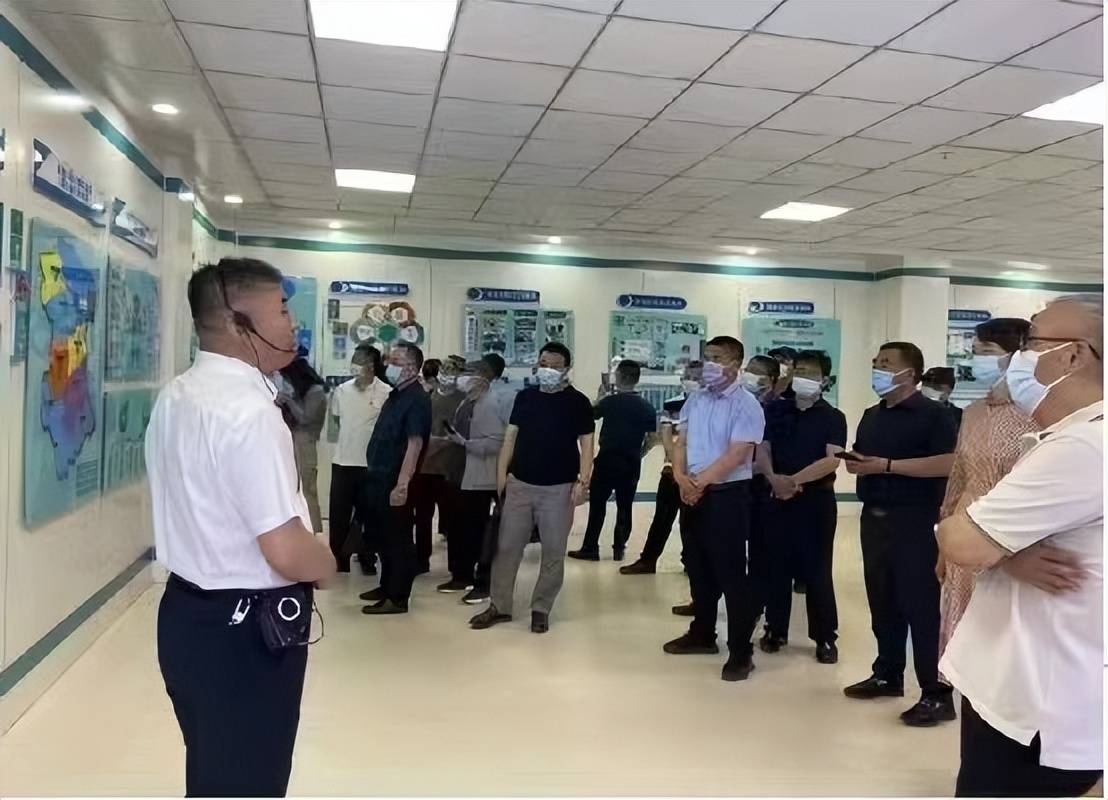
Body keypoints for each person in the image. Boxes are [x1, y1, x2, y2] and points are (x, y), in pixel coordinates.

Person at [147, 257, 336, 797]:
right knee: (249, 780)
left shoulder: (178, 394)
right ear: (238, 322)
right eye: (281, 309)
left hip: (187, 616)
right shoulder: (249, 413)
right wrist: (325, 561)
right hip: (245, 630)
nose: (292, 322)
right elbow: (284, 549)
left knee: (215, 772)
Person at [938, 294, 1103, 797]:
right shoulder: (1071, 436)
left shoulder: (1083, 447)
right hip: (1036, 683)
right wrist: (1008, 551)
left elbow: (963, 542)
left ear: (1072, 355)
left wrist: (991, 543)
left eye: (1031, 342)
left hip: (1032, 704)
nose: (1019, 357)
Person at [843, 341, 957, 727]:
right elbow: (866, 457)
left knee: (920, 606)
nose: (878, 368)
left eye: (887, 363)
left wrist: (888, 465)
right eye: (876, 361)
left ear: (910, 373)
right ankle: (888, 673)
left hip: (916, 520)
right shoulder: (872, 415)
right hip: (874, 518)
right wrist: (859, 464)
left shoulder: (935, 416)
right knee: (883, 599)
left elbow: (948, 463)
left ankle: (936, 693)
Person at [470, 341, 595, 634]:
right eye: (543, 364)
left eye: (555, 366)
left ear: (567, 369)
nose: (548, 370)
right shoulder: (525, 397)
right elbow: (510, 438)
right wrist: (502, 477)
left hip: (559, 489)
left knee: (553, 551)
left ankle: (541, 608)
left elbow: (587, 444)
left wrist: (583, 481)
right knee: (507, 548)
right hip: (520, 485)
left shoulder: (578, 402)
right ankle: (499, 606)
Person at [663, 335, 765, 682]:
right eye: (707, 357)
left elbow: (738, 455)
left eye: (717, 358)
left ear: (735, 363)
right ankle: (703, 633)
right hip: (692, 491)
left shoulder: (747, 405)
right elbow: (681, 441)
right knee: (697, 566)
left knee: (731, 574)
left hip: (727, 495)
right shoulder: (696, 398)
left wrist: (700, 483)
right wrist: (680, 477)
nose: (709, 364)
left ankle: (740, 652)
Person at [937, 318, 1036, 658]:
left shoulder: (1035, 416)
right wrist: (944, 546)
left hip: (1011, 537)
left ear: (1019, 355)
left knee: (1002, 639)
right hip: (965, 527)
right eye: (975, 352)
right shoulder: (973, 412)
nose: (977, 360)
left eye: (988, 351)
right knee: (962, 634)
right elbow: (958, 478)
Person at [756, 350, 847, 664]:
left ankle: (825, 637)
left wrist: (793, 481)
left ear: (825, 379)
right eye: (798, 370)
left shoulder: (832, 417)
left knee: (817, 569)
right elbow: (763, 448)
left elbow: (833, 459)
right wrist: (773, 478)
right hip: (776, 496)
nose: (803, 376)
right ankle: (775, 628)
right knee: (776, 566)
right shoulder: (776, 410)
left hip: (815, 500)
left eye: (811, 372)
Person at [358, 342, 432, 616]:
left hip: (395, 479)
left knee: (398, 539)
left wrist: (402, 485)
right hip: (379, 476)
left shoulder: (417, 399)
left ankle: (398, 597)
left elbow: (414, 444)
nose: (388, 364)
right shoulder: (396, 395)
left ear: (411, 367)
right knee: (383, 536)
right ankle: (386, 586)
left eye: (396, 361)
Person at [441, 354, 515, 601]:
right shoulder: (467, 401)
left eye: (469, 373)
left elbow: (497, 442)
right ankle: (461, 575)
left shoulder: (494, 402)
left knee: (478, 530)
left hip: (483, 477)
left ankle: (481, 580)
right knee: (459, 527)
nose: (462, 378)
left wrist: (466, 443)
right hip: (461, 473)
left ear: (483, 376)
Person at [569, 359, 657, 562]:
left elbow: (589, 416)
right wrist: (640, 453)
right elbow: (652, 438)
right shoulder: (647, 407)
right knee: (625, 506)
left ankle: (591, 547)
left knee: (598, 505)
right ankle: (619, 548)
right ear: (636, 379)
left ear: (618, 377)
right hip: (631, 462)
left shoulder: (609, 403)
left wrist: (599, 397)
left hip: (607, 460)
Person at [621, 361, 702, 576]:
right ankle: (648, 560)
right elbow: (666, 433)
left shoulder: (710, 405)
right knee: (662, 517)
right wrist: (674, 462)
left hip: (698, 472)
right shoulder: (673, 404)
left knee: (691, 520)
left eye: (697, 377)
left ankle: (691, 561)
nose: (692, 381)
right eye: (689, 376)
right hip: (672, 469)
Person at [327, 344, 391, 573]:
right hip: (343, 461)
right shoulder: (341, 391)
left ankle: (367, 557)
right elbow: (336, 421)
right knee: (339, 514)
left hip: (370, 465)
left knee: (370, 515)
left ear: (372, 366)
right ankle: (339, 558)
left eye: (360, 361)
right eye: (353, 360)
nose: (355, 366)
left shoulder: (386, 392)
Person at [412, 355, 467, 576]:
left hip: (451, 468)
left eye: (454, 370)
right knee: (422, 517)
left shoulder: (464, 401)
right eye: (446, 369)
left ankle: (457, 566)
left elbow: (464, 435)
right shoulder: (427, 398)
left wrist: (444, 442)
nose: (448, 374)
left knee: (453, 519)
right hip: (425, 467)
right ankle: (421, 560)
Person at [742, 354, 783, 622]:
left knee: (762, 553)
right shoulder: (740, 406)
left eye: (757, 373)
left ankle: (760, 608)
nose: (749, 376)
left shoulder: (778, 410)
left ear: (771, 380)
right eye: (748, 370)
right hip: (737, 488)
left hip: (765, 489)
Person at [275, 356, 329, 532]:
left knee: (308, 491)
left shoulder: (316, 392)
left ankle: (315, 530)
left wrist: (289, 401)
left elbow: (305, 418)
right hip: (297, 443)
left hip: (305, 445)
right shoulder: (305, 393)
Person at [922, 366, 963, 432]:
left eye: (936, 387)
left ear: (949, 391)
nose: (930, 389)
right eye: (926, 385)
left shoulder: (959, 416)